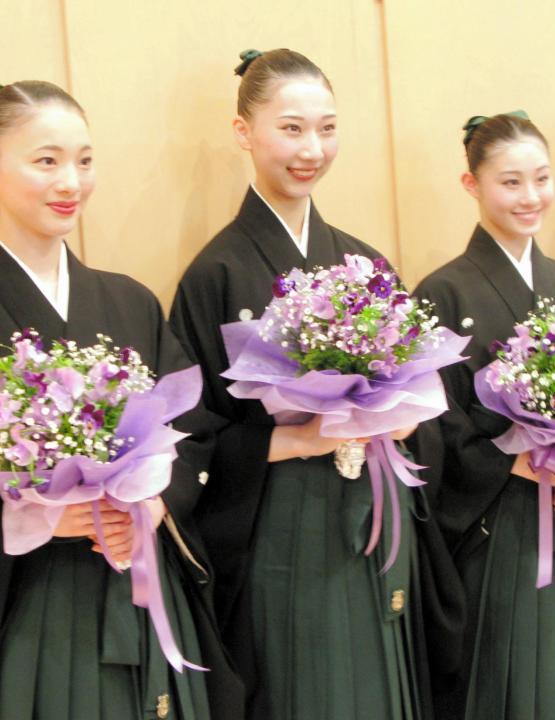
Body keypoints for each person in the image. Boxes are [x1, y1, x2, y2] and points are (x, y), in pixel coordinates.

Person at [0, 80, 242, 720]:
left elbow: (196, 431)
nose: (71, 182)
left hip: (140, 577)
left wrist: (156, 502)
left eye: (83, 160)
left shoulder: (128, 301)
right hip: (35, 605)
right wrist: (40, 518)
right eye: (46, 161)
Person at [170, 49, 460, 720]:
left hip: (376, 513)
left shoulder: (365, 262)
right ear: (243, 132)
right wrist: (298, 442)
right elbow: (194, 440)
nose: (313, 148)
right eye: (292, 128)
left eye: (327, 128)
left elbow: (423, 403)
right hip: (281, 528)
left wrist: (406, 418)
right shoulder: (215, 272)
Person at [413, 111, 555, 720]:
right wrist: (517, 464)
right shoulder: (444, 293)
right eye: (511, 182)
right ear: (472, 186)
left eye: (541, 179)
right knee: (518, 684)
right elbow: (437, 424)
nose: (531, 196)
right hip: (502, 529)